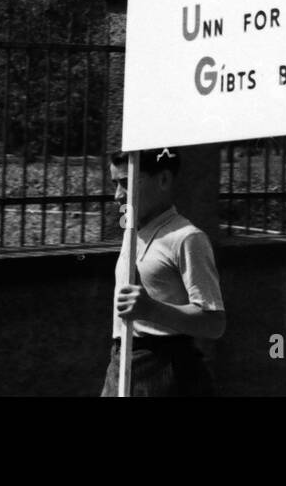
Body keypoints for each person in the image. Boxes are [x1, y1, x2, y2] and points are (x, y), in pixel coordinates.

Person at [102, 148, 227, 396]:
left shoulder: (187, 238)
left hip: (165, 371)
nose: (117, 195)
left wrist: (151, 309)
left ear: (164, 180)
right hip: (121, 362)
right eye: (115, 184)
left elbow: (214, 323)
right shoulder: (132, 233)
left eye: (127, 183)